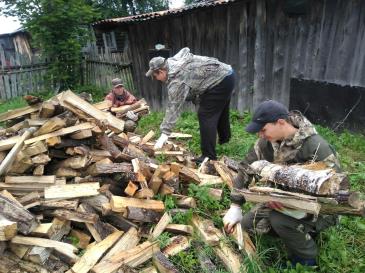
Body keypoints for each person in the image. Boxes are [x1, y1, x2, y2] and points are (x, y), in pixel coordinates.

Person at [223, 100, 340, 267]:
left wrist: (301, 208)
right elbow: (245, 169)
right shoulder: (266, 143)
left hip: (320, 208)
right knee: (247, 225)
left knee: (279, 219)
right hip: (280, 202)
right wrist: (235, 205)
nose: (260, 135)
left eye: (263, 130)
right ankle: (297, 231)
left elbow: (338, 187)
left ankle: (305, 259)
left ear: (280, 122)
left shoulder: (315, 146)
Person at [146, 47, 235, 163]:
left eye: (155, 76)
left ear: (161, 71)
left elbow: (173, 108)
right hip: (227, 74)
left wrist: (164, 134)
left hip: (220, 80)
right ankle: (225, 138)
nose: (155, 79)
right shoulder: (172, 62)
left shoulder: (177, 81)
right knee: (219, 108)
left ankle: (208, 157)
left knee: (205, 115)